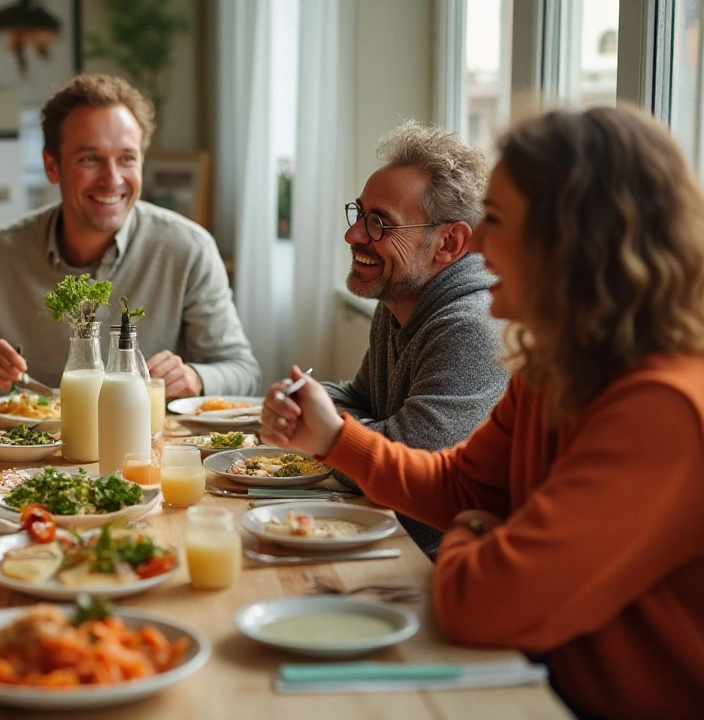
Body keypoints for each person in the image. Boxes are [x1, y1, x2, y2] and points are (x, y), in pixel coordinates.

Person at [260, 106, 704, 720]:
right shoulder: (551, 366)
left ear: (573, 242)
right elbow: (462, 483)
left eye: (495, 220)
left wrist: (469, 533)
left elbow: (480, 601)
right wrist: (336, 440)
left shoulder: (662, 408)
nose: (480, 244)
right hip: (532, 673)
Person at [0, 73, 260, 399]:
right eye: (90, 159)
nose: (112, 179)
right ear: (52, 166)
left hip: (147, 449)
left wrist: (195, 377)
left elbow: (242, 371)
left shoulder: (190, 250)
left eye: (127, 158)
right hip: (30, 446)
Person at [319, 121, 508, 556]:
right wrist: (310, 405)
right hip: (384, 542)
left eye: (380, 224)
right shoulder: (399, 299)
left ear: (449, 242)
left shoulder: (472, 328)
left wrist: (326, 432)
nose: (353, 236)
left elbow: (396, 470)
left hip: (430, 569)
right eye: (359, 214)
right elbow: (360, 401)